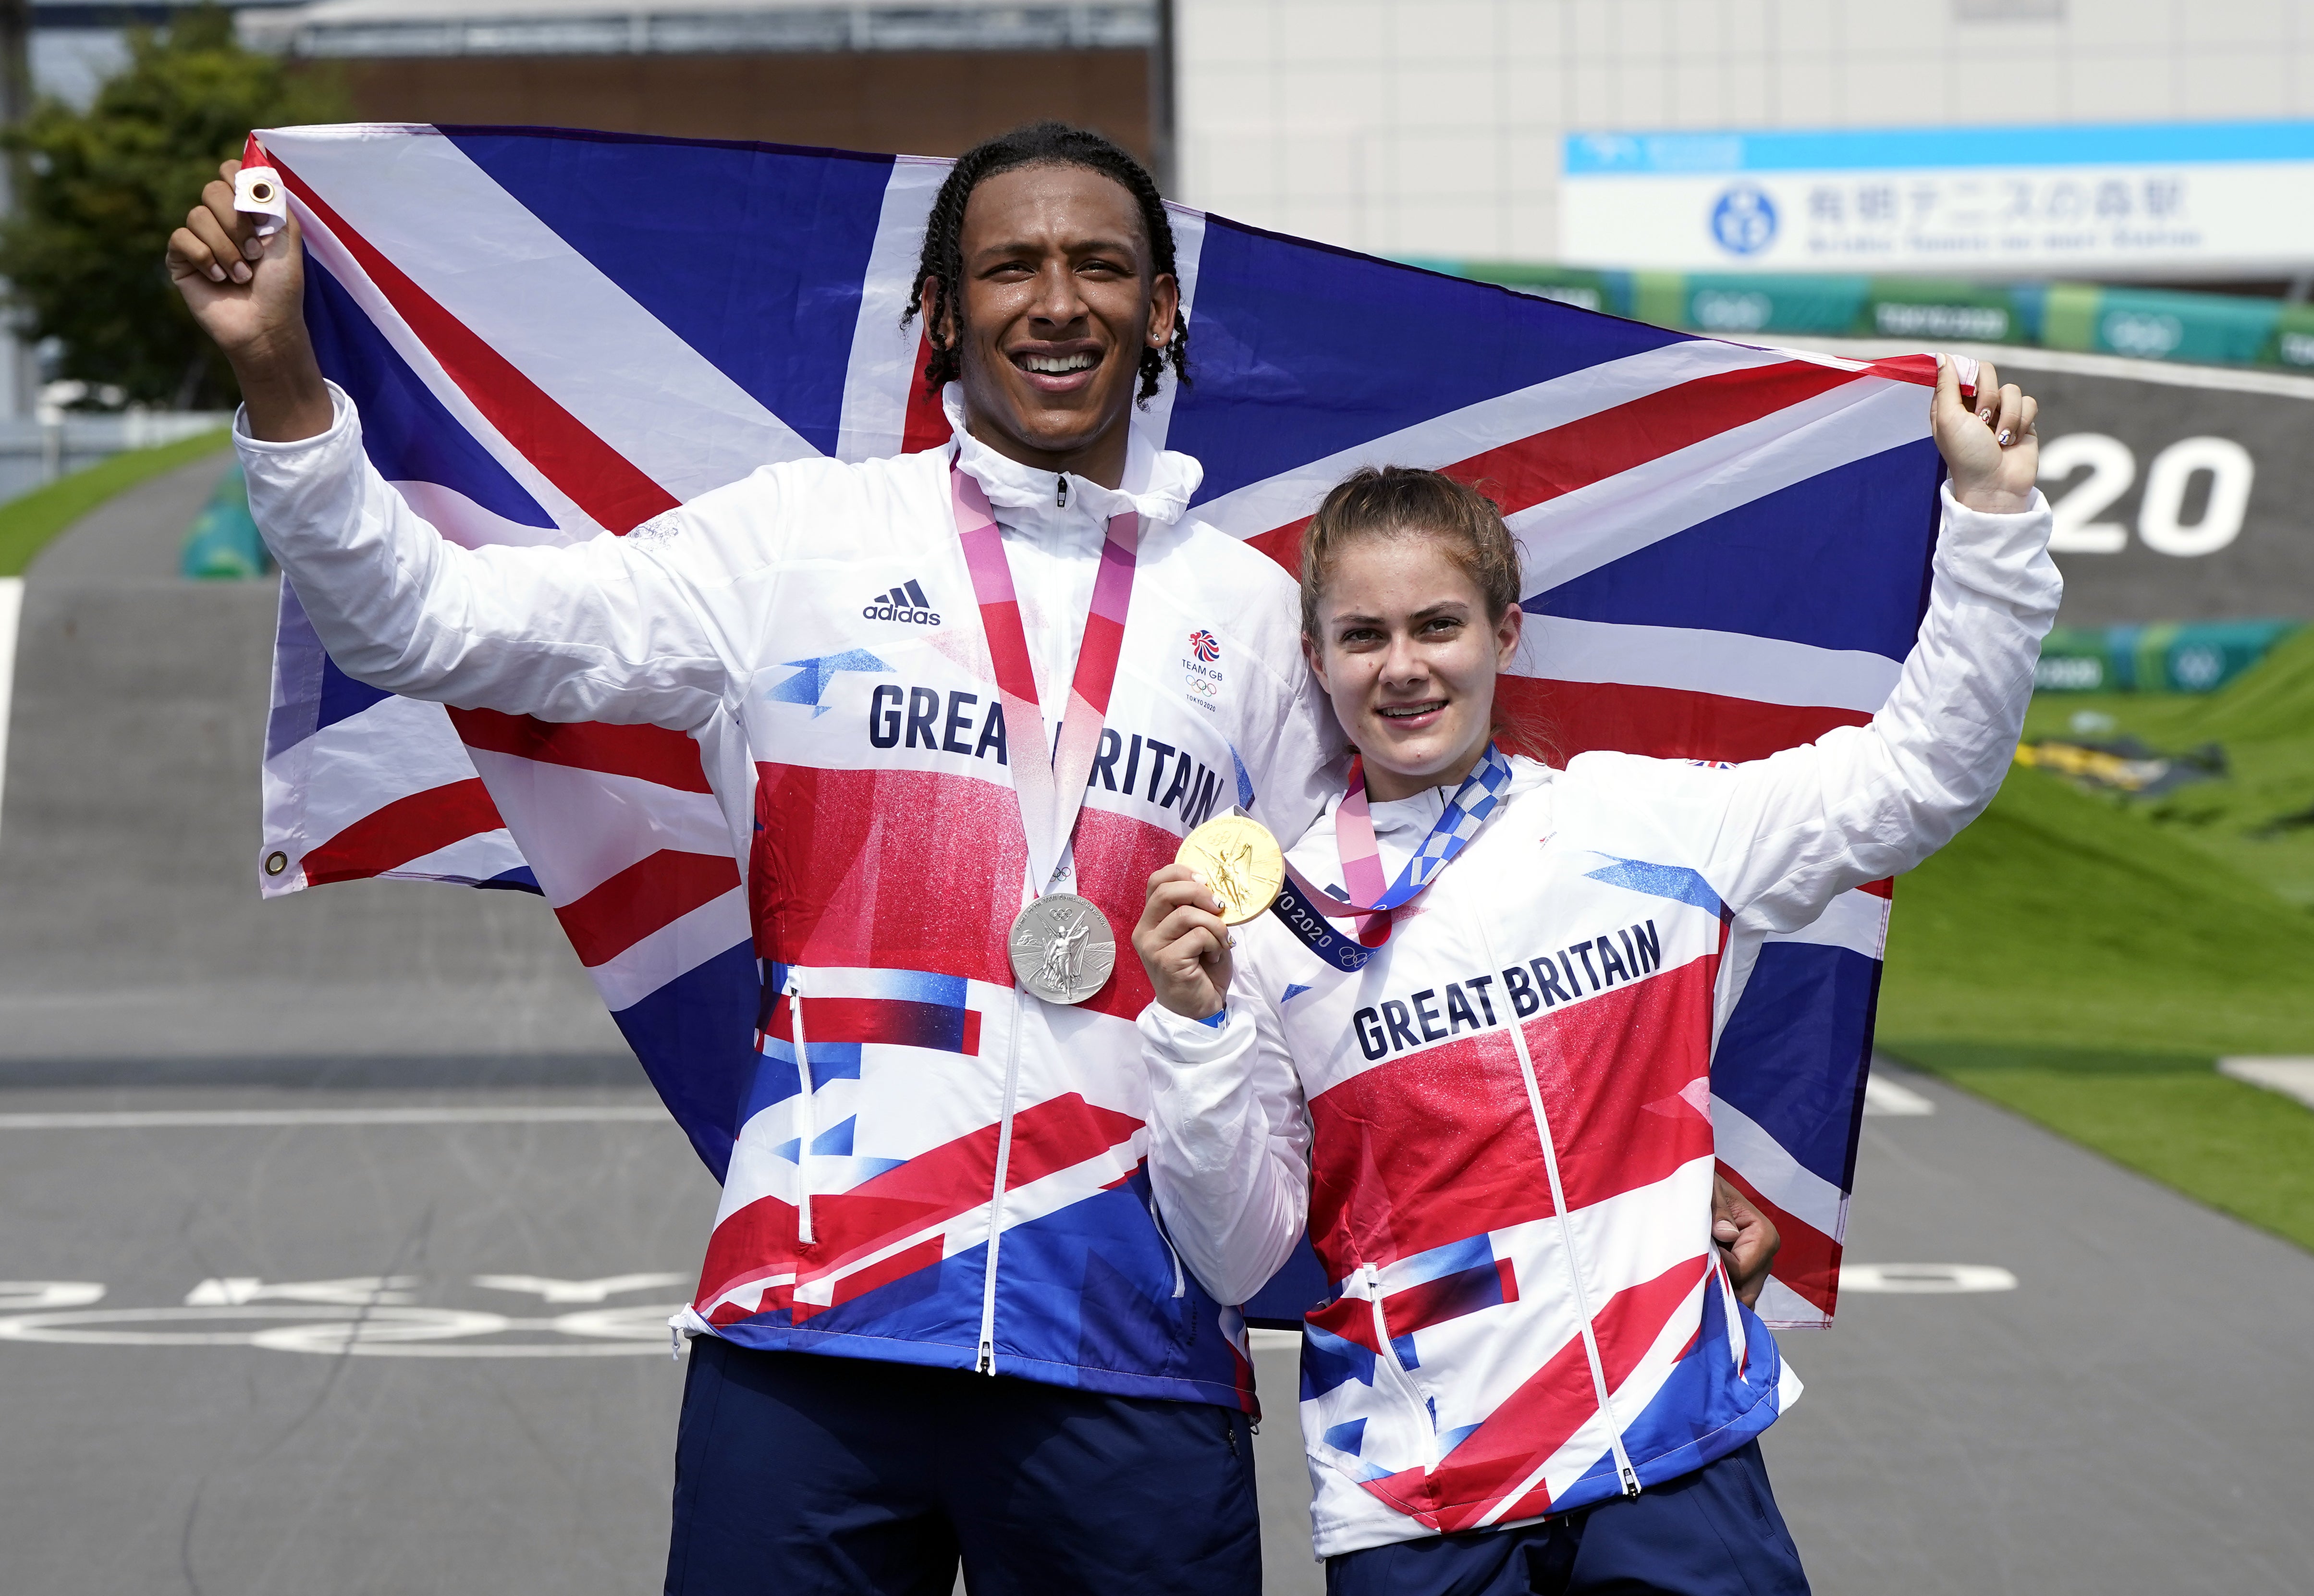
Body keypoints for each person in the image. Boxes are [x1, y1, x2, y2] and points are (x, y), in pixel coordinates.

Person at [168, 120, 1784, 1593]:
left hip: (1129, 1351)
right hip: (815, 1330)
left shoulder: (1245, 617)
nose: (1055, 299)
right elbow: (430, 621)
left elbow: (1391, 949)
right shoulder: (793, 542)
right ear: (942, 310)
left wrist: (1615, 1194)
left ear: (1160, 313)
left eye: (1098, 264)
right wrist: (285, 393)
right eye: (1010, 263)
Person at [1130, 361, 2055, 1594]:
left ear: (1503, 632)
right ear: (1317, 657)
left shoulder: (1642, 822)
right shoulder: (1272, 926)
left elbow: (1925, 770)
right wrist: (1190, 1031)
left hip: (1670, 1460)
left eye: (1437, 625)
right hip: (1425, 1501)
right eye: (1364, 635)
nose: (1403, 666)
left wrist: (1993, 517)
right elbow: (1241, 1258)